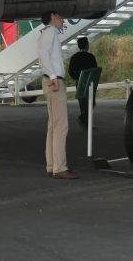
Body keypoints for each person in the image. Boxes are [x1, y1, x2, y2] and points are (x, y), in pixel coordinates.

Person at [37, 10, 79, 180]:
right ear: (52, 17)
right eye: (59, 16)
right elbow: (44, 56)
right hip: (54, 81)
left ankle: (52, 165)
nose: (62, 19)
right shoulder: (51, 32)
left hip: (49, 80)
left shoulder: (45, 34)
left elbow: (43, 55)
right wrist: (54, 77)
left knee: (53, 127)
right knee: (61, 126)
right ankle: (60, 168)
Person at [68, 37, 98, 131]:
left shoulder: (74, 57)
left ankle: (86, 124)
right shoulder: (90, 57)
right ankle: (83, 119)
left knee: (82, 103)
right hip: (89, 83)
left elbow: (70, 71)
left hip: (79, 82)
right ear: (86, 45)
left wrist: (77, 78)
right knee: (91, 102)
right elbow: (95, 69)